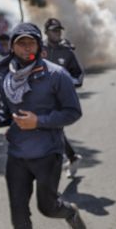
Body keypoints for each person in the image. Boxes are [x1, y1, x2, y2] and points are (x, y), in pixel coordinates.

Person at [0, 22, 86, 229]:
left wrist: (39, 120)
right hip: (17, 154)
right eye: (21, 42)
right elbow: (8, 111)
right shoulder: (7, 76)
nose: (26, 47)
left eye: (31, 42)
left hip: (48, 152)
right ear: (12, 46)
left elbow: (73, 112)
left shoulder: (56, 75)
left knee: (47, 207)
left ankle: (70, 212)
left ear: (39, 45)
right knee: (18, 211)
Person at [43, 18, 84, 177]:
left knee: (53, 128)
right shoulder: (39, 48)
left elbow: (78, 75)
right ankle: (72, 157)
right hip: (40, 97)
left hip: (58, 99)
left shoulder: (67, 51)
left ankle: (53, 170)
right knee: (52, 129)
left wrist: (66, 84)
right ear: (46, 32)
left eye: (59, 30)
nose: (57, 33)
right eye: (54, 30)